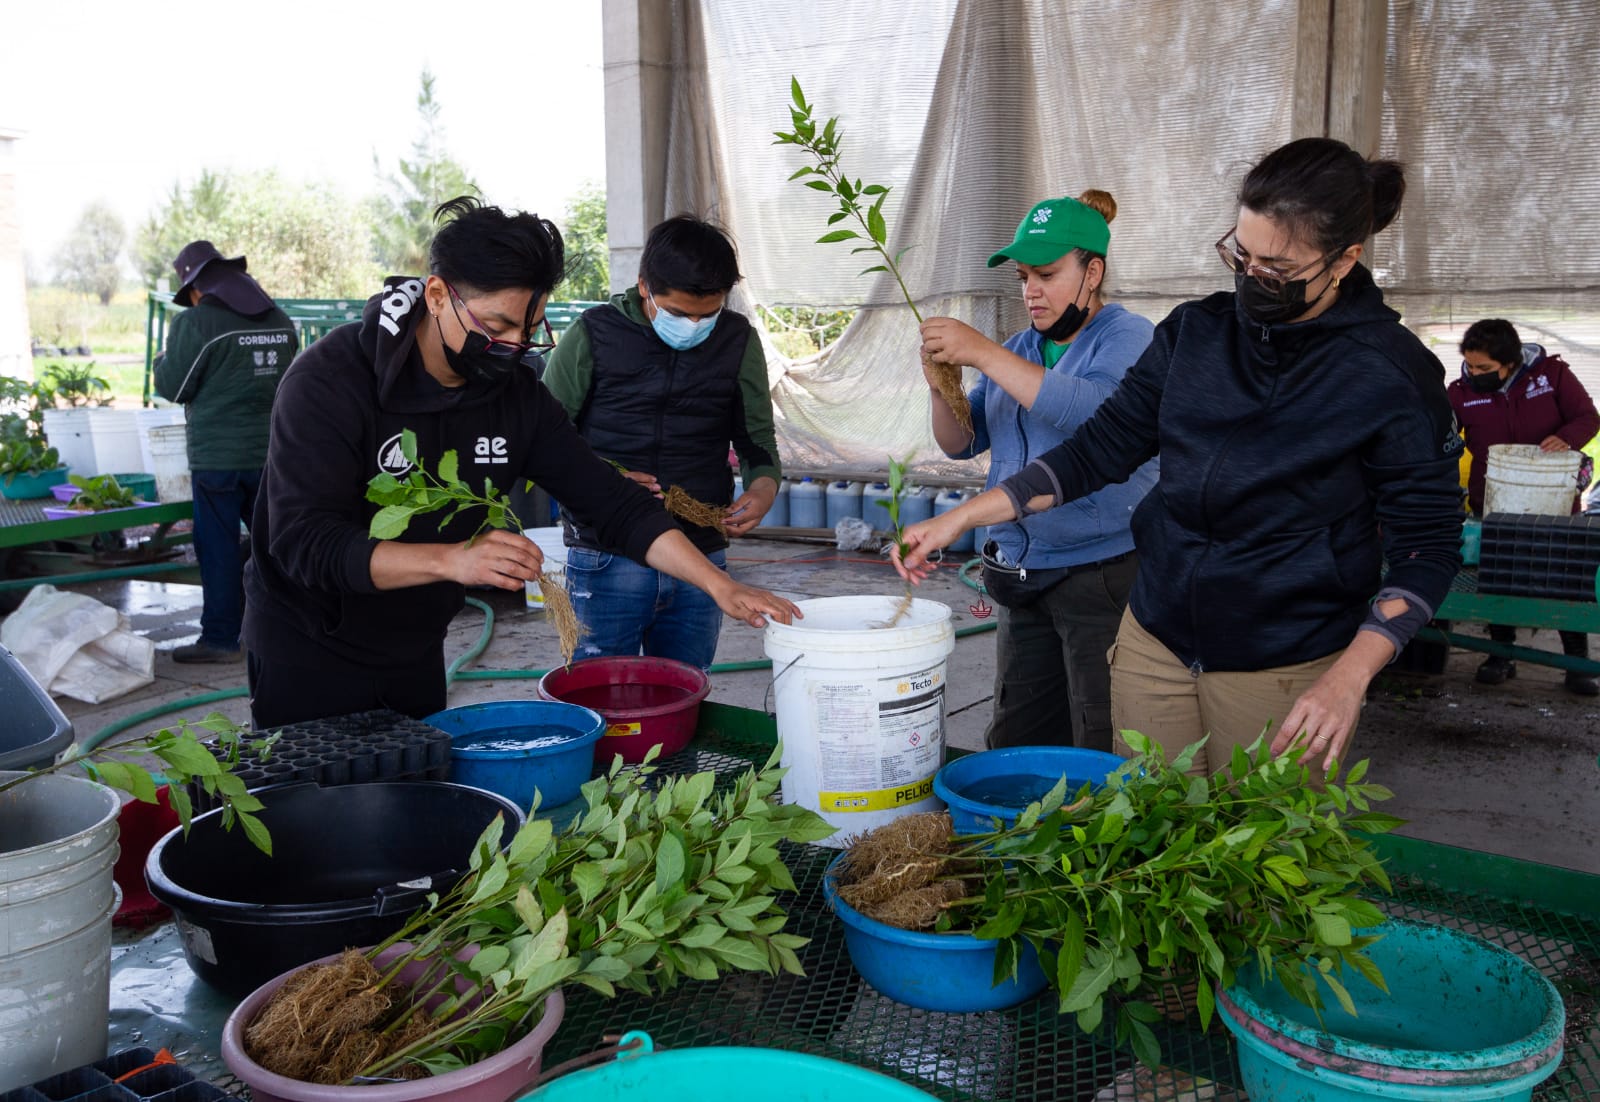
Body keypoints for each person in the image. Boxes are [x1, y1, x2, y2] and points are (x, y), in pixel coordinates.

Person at [894, 137, 1465, 775]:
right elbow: (1099, 450)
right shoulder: (1195, 333)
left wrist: (1349, 677)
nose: (1252, 278)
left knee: (1255, 848)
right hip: (1156, 635)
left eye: (1276, 268)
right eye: (1241, 255)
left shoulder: (1391, 374)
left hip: (1283, 655)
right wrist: (964, 517)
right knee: (1145, 825)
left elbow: (1428, 544)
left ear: (1344, 259)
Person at [242, 198, 798, 729]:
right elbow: (304, 542)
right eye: (495, 326)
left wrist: (719, 585)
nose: (512, 346)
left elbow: (614, 502)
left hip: (412, 642)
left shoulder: (514, 395)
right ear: (436, 295)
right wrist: (453, 559)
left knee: (408, 796)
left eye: (528, 331)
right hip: (310, 644)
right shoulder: (331, 381)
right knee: (313, 810)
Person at [917, 190, 1155, 752]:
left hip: (1101, 572)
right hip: (1023, 569)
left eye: (1047, 274)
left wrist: (980, 352)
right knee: (1020, 731)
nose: (1031, 292)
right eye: (1024, 277)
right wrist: (939, 387)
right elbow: (961, 441)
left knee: (1101, 731)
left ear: (1092, 272)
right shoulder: (1021, 347)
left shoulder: (1128, 337)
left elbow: (1093, 413)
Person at [541, 215, 782, 670]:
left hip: (702, 555)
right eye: (677, 313)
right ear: (644, 286)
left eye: (707, 315)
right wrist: (604, 479)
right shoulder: (592, 334)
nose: (693, 324)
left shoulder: (737, 342)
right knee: (598, 694)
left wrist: (763, 488)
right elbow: (546, 439)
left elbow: (757, 438)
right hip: (607, 555)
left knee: (685, 690)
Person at [154, 242, 298, 664]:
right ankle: (290, 631)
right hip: (273, 456)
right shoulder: (280, 320)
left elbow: (173, 387)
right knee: (277, 545)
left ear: (199, 288)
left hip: (217, 462)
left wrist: (165, 359)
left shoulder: (197, 324)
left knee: (216, 547)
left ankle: (220, 639)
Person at [1449, 318, 1599, 695]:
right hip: (1494, 497)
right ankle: (1501, 654)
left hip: (1551, 496)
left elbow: (1588, 418)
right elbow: (1446, 436)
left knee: (1565, 576)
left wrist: (1565, 438)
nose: (1474, 373)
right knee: (1499, 573)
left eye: (1484, 368)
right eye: (1469, 365)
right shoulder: (1461, 392)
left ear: (1511, 362)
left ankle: (1577, 661)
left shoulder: (1552, 376)